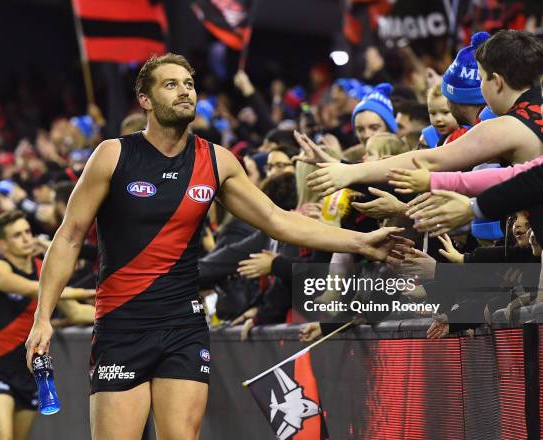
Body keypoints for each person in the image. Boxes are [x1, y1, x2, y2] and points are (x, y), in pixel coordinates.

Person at [24, 53, 410, 440]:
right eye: (170, 84)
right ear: (144, 99)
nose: (184, 91)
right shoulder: (113, 155)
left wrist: (361, 241)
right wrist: (43, 316)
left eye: (188, 84)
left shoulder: (216, 161)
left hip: (183, 325)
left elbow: (278, 220)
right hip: (122, 324)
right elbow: (70, 236)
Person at [302, 30, 543, 196]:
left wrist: (350, 171)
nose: (481, 88)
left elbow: (430, 160)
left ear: (497, 82)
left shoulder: (508, 126)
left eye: (481, 79)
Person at [0, 210, 94, 440]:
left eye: (28, 232)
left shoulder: (43, 267)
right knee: (2, 437)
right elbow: (34, 289)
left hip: (30, 369)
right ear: (2, 243)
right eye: (17, 235)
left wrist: (113, 310)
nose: (26, 238)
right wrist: (93, 291)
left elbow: (77, 311)